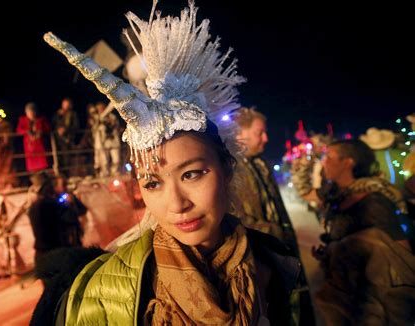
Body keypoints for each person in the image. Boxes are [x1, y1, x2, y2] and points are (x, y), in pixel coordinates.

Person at [38, 2, 301, 325]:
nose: (176, 204)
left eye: (192, 174)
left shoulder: (271, 266)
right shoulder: (104, 294)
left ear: (227, 167)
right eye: (152, 183)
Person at [294, 139, 415, 324]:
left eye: (330, 157)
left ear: (348, 162)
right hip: (343, 291)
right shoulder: (335, 192)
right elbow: (306, 192)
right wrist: (331, 252)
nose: (324, 161)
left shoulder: (373, 201)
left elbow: (400, 253)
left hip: (370, 300)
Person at [232, 107, 297, 249]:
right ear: (239, 134)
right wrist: (274, 233)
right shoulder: (229, 170)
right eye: (259, 133)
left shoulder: (260, 164)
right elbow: (234, 219)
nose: (266, 138)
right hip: (259, 253)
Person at [16, 102, 51, 172]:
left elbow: (48, 128)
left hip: (39, 145)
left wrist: (41, 131)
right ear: (26, 113)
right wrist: (27, 131)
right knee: (32, 166)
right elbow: (18, 130)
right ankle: (35, 177)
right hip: (29, 146)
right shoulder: (23, 120)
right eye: (29, 113)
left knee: (42, 164)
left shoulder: (41, 119)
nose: (31, 115)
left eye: (32, 112)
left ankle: (43, 175)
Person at [52, 97, 79, 174]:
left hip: (68, 140)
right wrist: (58, 129)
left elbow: (76, 126)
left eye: (67, 105)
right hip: (58, 140)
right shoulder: (58, 114)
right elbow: (53, 124)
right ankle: (61, 175)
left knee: (67, 158)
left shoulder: (73, 114)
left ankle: (68, 175)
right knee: (58, 158)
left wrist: (65, 129)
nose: (66, 107)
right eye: (64, 104)